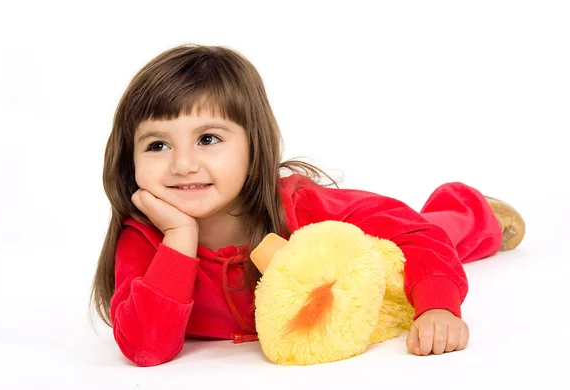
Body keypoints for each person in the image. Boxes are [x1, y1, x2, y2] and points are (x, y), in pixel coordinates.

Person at [90, 44, 525, 367]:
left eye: (208, 139)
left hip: (350, 262)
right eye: (158, 145)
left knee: (418, 238)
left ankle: (472, 210)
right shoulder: (145, 240)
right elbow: (146, 348)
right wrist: (178, 237)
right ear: (130, 159)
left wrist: (437, 305)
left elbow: (412, 232)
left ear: (253, 150)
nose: (183, 165)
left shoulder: (299, 205)